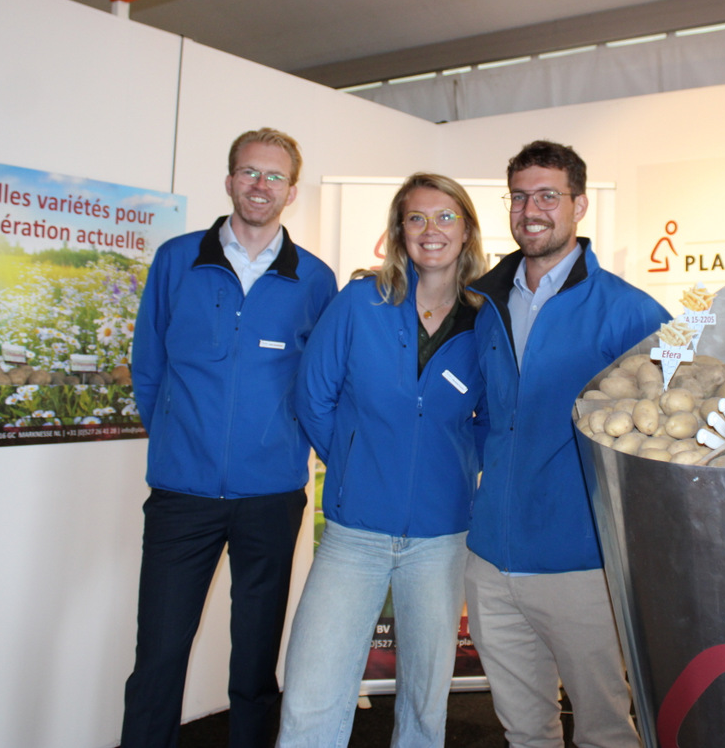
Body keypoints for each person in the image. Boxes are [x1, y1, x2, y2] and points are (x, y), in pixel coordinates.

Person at [122, 128, 338, 748]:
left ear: (291, 190)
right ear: (229, 180)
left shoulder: (315, 280)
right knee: (159, 656)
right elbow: (148, 365)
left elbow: (321, 383)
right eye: (249, 172)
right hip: (181, 496)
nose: (260, 186)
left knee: (254, 664)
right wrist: (174, 440)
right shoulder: (177, 260)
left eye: (274, 176)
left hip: (270, 497)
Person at [465, 140, 670, 748]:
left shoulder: (629, 312)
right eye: (520, 196)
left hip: (582, 562)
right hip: (491, 558)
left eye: (548, 196)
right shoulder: (486, 304)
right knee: (524, 731)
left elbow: (668, 436)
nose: (531, 210)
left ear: (579, 205)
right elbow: (485, 416)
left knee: (605, 729)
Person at [276, 172, 488, 748]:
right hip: (355, 533)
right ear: (399, 231)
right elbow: (313, 396)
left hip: (441, 537)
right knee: (312, 691)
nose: (430, 229)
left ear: (467, 230)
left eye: (445, 216)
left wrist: (456, 470)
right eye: (416, 217)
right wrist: (353, 464)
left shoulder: (486, 319)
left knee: (424, 702)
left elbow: (493, 418)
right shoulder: (360, 301)